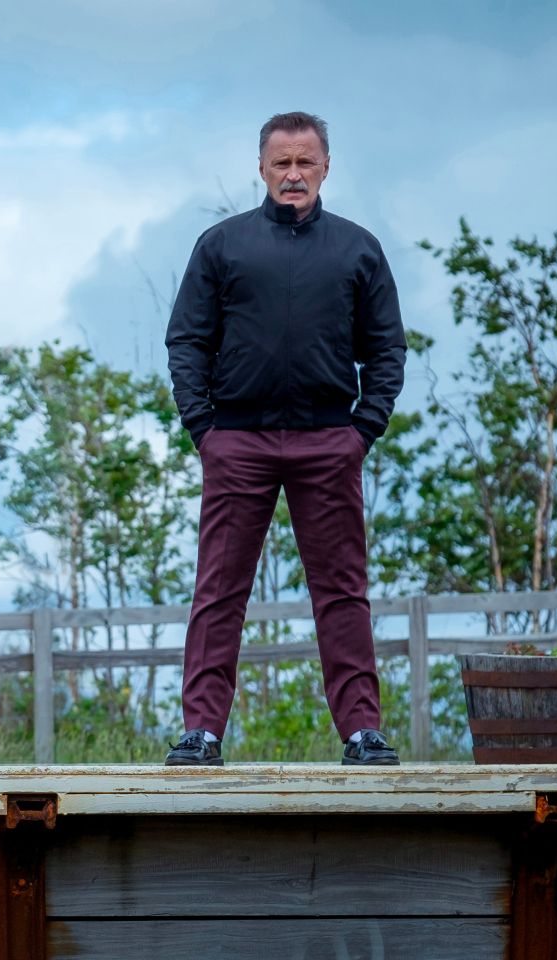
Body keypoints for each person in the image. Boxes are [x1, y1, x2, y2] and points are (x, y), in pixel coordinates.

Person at [163, 111, 406, 767]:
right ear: (262, 168)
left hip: (329, 441)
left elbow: (387, 350)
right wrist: (204, 429)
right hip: (236, 442)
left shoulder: (357, 249)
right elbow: (187, 341)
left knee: (342, 591)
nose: (293, 175)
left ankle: (362, 730)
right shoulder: (222, 247)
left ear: (326, 167)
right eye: (281, 164)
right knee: (219, 591)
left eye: (305, 163)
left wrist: (362, 430)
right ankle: (202, 731)